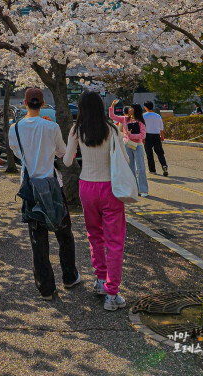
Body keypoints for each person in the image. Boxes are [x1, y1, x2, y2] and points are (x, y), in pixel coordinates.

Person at [8, 87, 78, 299]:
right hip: (52, 186)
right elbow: (62, 152)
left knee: (38, 240)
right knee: (64, 233)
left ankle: (46, 288)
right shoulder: (51, 126)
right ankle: (69, 277)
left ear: (25, 104)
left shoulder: (15, 129)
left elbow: (17, 153)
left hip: (30, 188)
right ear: (43, 104)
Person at [64, 91, 127, 311]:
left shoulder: (76, 130)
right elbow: (125, 159)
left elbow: (67, 160)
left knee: (95, 235)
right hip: (110, 187)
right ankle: (112, 294)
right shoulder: (112, 129)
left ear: (81, 108)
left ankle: (100, 279)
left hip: (87, 187)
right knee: (115, 241)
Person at [109, 101, 148, 197]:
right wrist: (112, 106)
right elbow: (112, 116)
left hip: (137, 146)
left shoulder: (140, 121)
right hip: (127, 145)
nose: (129, 109)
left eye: (131, 108)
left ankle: (143, 190)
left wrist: (131, 136)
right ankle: (134, 189)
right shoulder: (125, 119)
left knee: (140, 168)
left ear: (135, 110)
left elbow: (143, 135)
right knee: (130, 168)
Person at [143, 101, 168, 176]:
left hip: (147, 136)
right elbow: (161, 127)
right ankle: (164, 166)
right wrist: (162, 136)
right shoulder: (157, 116)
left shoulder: (144, 116)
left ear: (145, 107)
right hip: (156, 135)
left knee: (149, 153)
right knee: (160, 152)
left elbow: (142, 127)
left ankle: (152, 170)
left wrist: (142, 137)